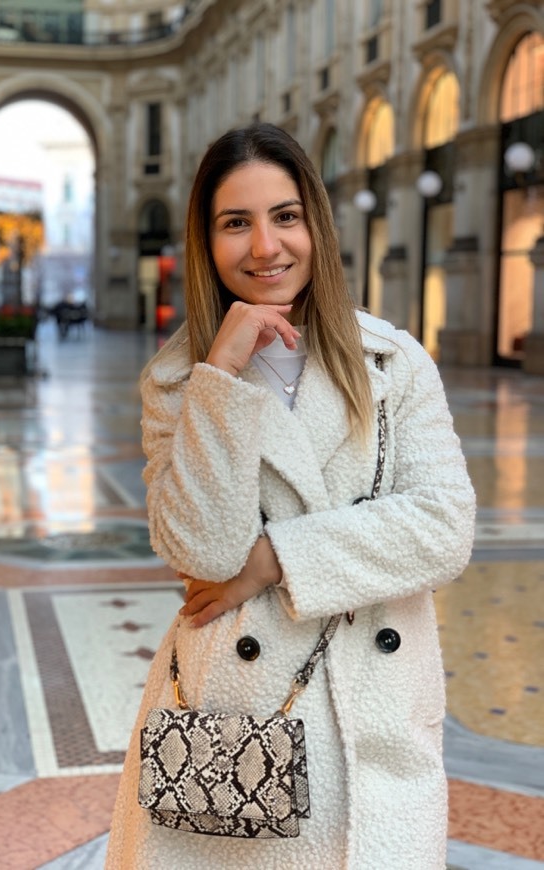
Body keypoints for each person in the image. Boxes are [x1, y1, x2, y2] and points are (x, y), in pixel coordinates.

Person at [105, 123, 475, 869]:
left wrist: (276, 558)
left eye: (285, 216)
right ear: (207, 243)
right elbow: (203, 552)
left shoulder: (392, 362)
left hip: (375, 716)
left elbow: (445, 525)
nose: (265, 247)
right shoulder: (178, 382)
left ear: (316, 225)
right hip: (239, 731)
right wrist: (220, 375)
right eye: (235, 223)